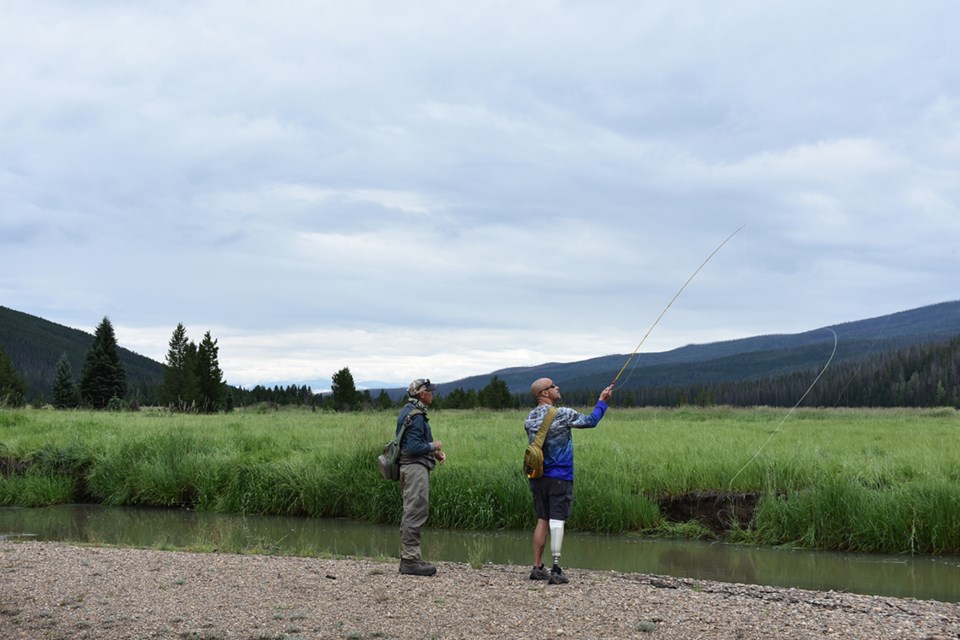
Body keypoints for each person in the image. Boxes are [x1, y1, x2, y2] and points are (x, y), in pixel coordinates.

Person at [525, 378, 613, 584]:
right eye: (553, 386)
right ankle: (556, 569)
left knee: (542, 519)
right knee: (557, 520)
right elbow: (591, 421)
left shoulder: (529, 417)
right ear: (545, 393)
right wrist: (602, 401)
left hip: (537, 476)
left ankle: (537, 567)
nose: (557, 388)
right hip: (560, 477)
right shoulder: (562, 413)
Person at [396, 378, 446, 576]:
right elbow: (413, 447)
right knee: (415, 511)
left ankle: (411, 557)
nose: (432, 393)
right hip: (414, 469)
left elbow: (411, 441)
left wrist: (433, 453)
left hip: (412, 467)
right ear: (421, 394)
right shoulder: (416, 416)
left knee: (413, 510)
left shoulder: (410, 411)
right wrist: (435, 446)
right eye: (429, 391)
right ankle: (410, 560)